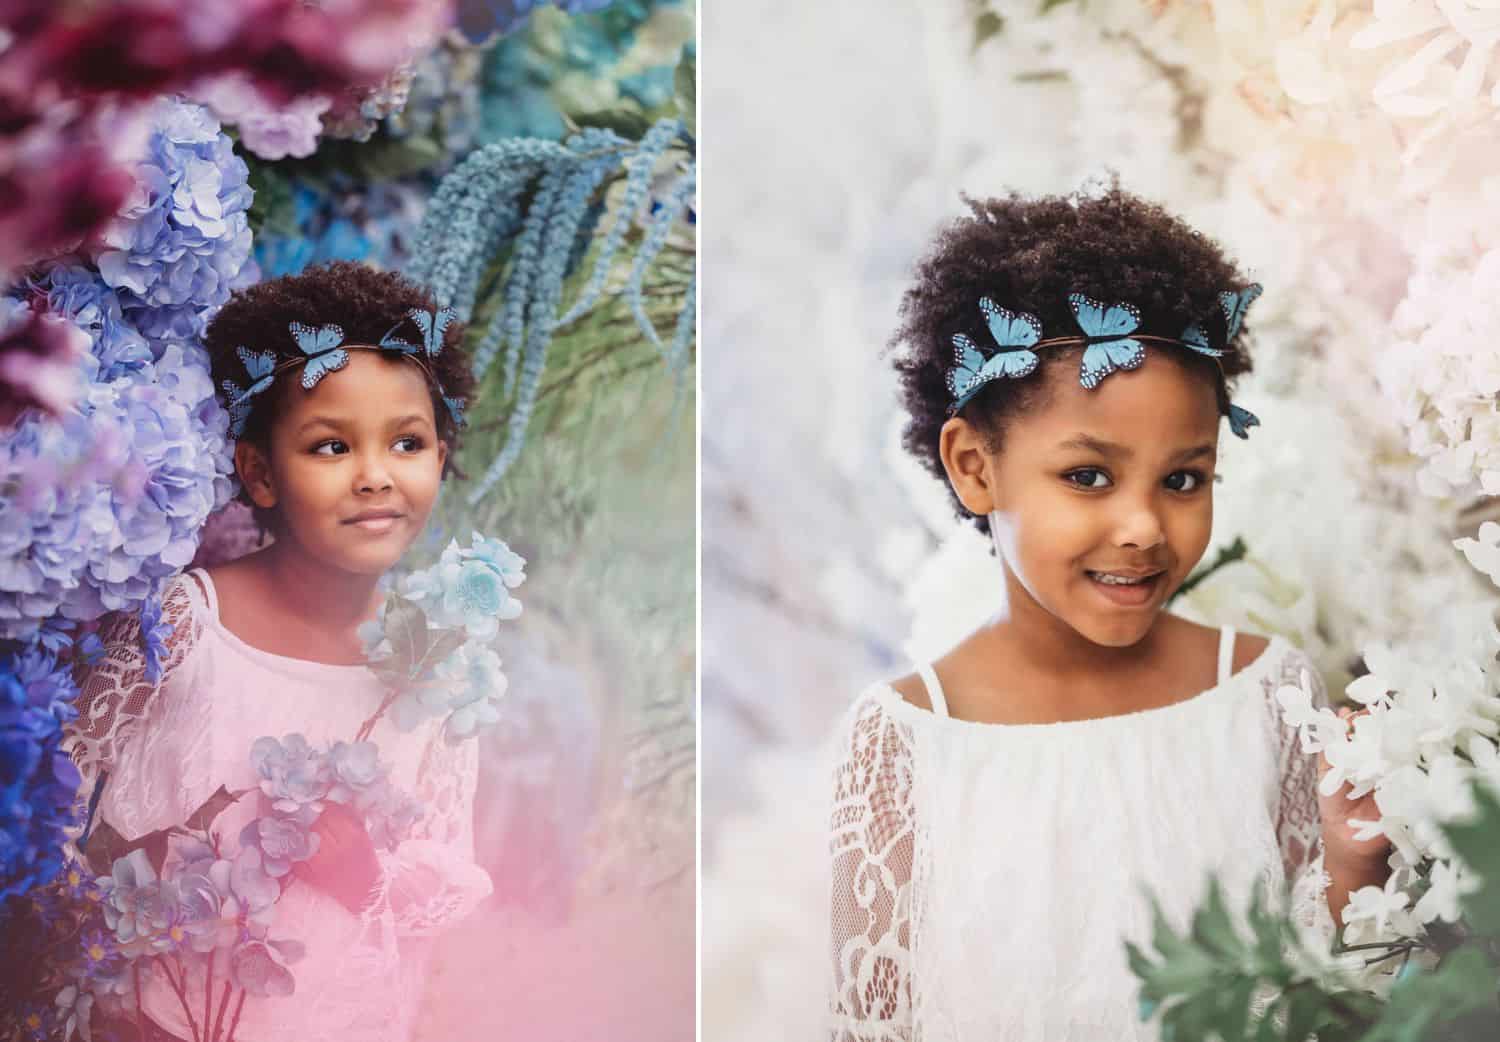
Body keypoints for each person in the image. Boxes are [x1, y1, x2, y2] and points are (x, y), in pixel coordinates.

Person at [826, 187, 1392, 1041]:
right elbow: (875, 1024)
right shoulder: (904, 742)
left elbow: (1322, 993)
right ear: (975, 465)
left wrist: (1350, 864)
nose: (1143, 527)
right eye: (1088, 476)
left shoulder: (1264, 693)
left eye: (1183, 479)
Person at [65, 262, 489, 1042]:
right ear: (260, 473)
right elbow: (59, 796)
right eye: (331, 446)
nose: (374, 476)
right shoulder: (188, 624)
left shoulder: (441, 669)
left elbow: (445, 884)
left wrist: (366, 874)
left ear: (440, 457)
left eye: (407, 441)